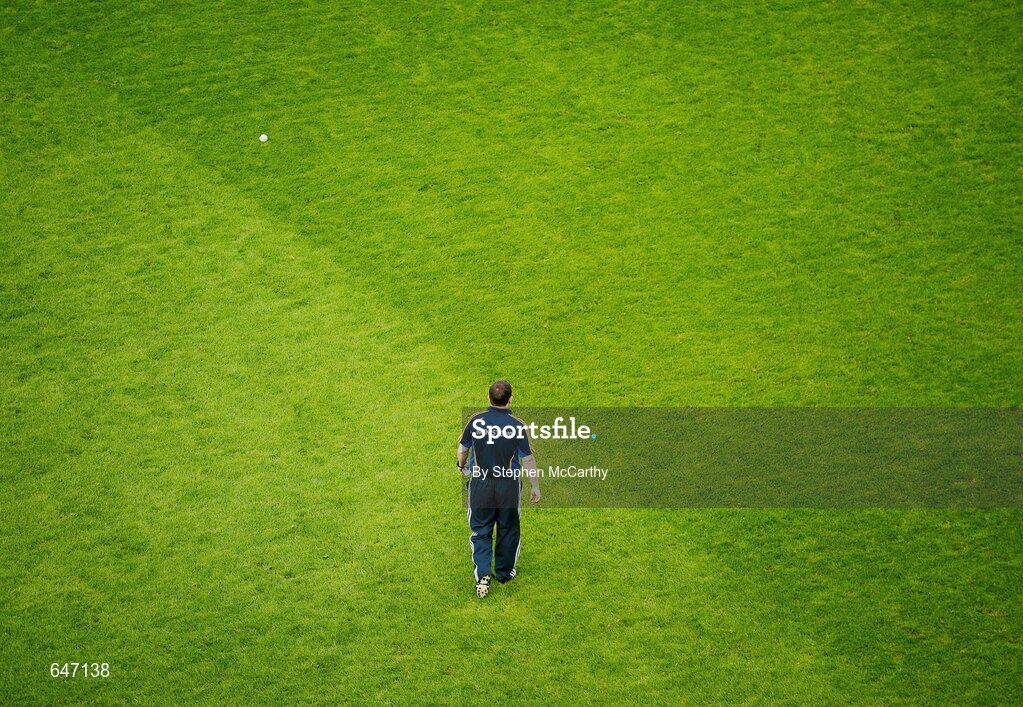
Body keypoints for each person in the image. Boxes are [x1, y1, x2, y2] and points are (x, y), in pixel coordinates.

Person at [457, 380, 541, 598]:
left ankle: (483, 573)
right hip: (508, 486)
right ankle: (504, 573)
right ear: (510, 399)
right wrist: (535, 486)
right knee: (509, 528)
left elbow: (462, 450)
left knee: (481, 529)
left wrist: (461, 465)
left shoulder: (475, 421)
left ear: (488, 398)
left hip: (481, 484)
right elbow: (529, 460)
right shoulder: (517, 426)